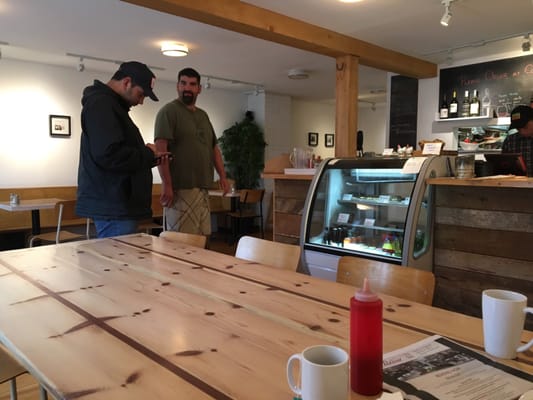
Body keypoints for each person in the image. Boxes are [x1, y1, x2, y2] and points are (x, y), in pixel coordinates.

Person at [76, 61, 171, 238]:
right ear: (127, 82)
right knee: (119, 264)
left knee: (120, 262)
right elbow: (109, 155)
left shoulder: (109, 106)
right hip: (114, 206)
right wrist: (147, 153)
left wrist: (150, 157)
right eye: (141, 94)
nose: (141, 101)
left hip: (116, 205)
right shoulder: (101, 105)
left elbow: (113, 153)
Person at [154, 67, 230, 236]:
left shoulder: (203, 116)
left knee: (202, 240)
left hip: (203, 188)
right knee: (180, 243)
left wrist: (223, 177)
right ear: (177, 86)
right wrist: (167, 185)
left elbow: (213, 148)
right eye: (183, 83)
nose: (187, 88)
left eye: (192, 84)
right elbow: (161, 150)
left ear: (199, 89)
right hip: (180, 189)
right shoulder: (168, 112)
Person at [501, 105, 533, 176]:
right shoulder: (510, 141)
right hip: (519, 184)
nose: (521, 131)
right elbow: (503, 167)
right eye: (518, 128)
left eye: (524, 127)